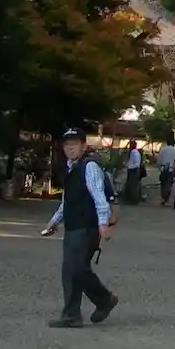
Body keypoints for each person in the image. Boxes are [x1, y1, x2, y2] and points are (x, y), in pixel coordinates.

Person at [41, 127, 118, 329]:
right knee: (69, 271)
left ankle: (104, 299)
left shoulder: (89, 167)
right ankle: (71, 315)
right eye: (67, 145)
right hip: (73, 226)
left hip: (87, 226)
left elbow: (99, 198)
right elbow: (67, 201)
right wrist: (54, 221)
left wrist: (103, 224)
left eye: (75, 144)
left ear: (84, 146)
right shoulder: (71, 168)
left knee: (77, 268)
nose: (70, 148)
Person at [156, 138, 175, 206]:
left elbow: (159, 159)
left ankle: (163, 197)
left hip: (163, 168)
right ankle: (166, 199)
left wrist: (159, 168)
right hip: (171, 169)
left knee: (163, 184)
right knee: (169, 185)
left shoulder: (163, 149)